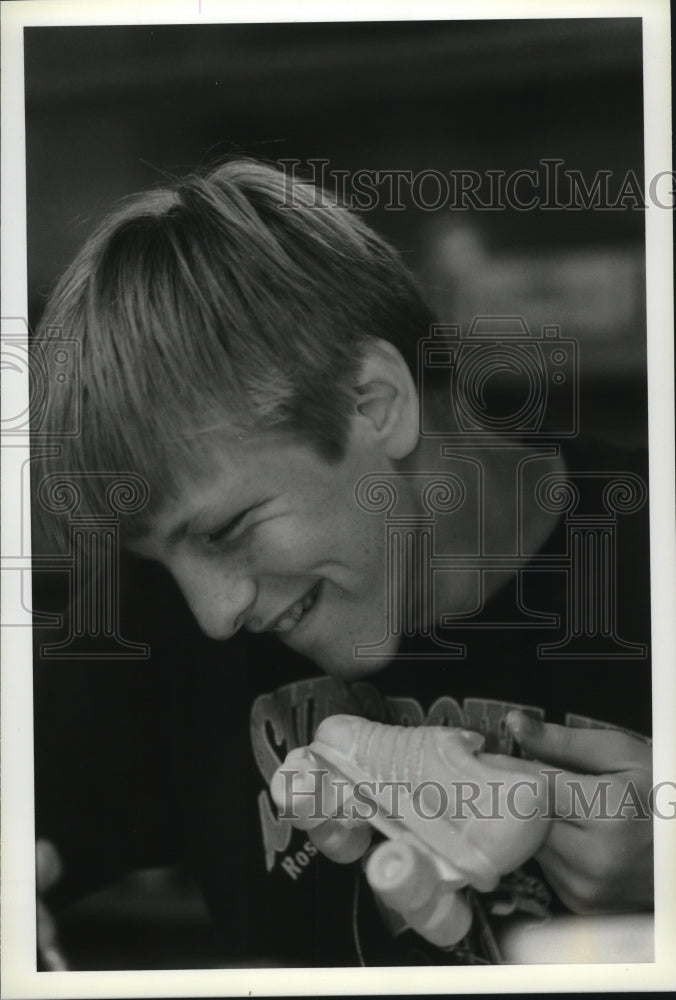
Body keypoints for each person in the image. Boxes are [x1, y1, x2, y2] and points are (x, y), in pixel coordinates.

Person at [32, 159, 653, 968]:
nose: (214, 614)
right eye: (163, 557)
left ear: (373, 404)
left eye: (229, 529)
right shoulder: (152, 620)